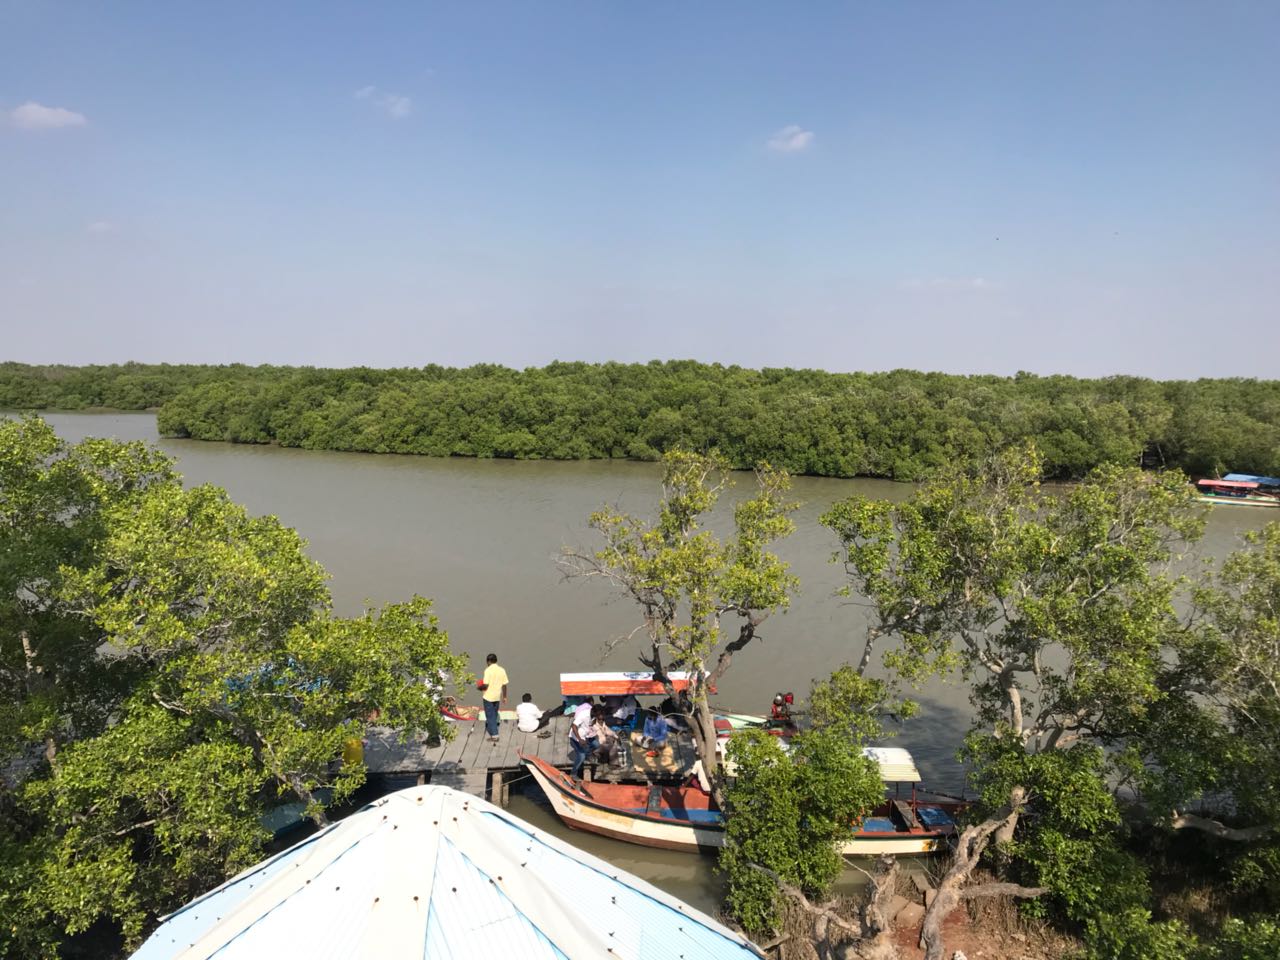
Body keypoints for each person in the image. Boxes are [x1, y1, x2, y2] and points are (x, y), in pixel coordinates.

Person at [480, 653, 508, 742]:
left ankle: (495, 735)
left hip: (488, 697)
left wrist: (479, 688)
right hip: (497, 696)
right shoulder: (502, 670)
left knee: (490, 715)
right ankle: (493, 726)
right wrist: (505, 696)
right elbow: (504, 685)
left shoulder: (488, 670)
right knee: (494, 713)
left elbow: (486, 685)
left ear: (488, 661)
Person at [570, 696, 597, 778]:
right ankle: (573, 773)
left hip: (585, 736)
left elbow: (591, 724)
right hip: (575, 738)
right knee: (581, 756)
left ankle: (588, 754)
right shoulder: (584, 714)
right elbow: (574, 725)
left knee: (597, 744)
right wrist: (580, 739)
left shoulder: (592, 715)